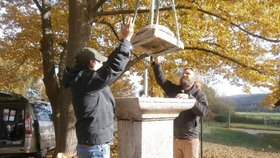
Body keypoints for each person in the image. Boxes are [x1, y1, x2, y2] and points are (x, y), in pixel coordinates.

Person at [63, 17, 134, 158]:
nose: (101, 65)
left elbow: (108, 65)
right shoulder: (86, 80)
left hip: (92, 144)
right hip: (95, 148)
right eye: (99, 62)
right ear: (91, 62)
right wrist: (126, 41)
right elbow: (112, 69)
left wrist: (122, 43)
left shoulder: (83, 79)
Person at [151, 56, 208, 158]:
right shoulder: (175, 90)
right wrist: (157, 64)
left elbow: (203, 111)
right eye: (183, 73)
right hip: (175, 139)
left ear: (194, 79)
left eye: (188, 74)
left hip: (190, 140)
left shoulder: (199, 94)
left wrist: (190, 99)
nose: (184, 75)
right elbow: (161, 81)